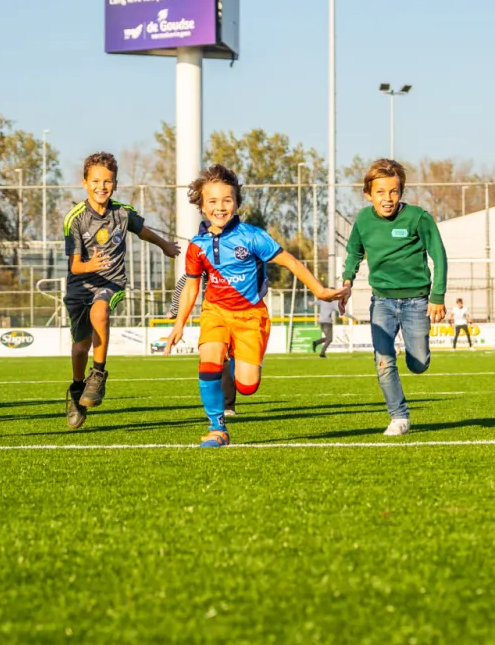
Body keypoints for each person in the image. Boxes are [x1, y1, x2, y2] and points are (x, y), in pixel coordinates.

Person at [167, 165, 343, 447]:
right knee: (209, 363)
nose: (220, 207)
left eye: (227, 200)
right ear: (201, 206)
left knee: (247, 386)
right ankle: (217, 428)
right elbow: (191, 286)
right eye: (212, 201)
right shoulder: (197, 246)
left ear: (236, 202)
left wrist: (319, 290)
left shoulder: (252, 236)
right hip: (215, 312)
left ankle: (236, 352)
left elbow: (291, 262)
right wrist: (179, 324)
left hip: (251, 316)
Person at [62, 152, 183, 428]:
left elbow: (144, 231)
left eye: (107, 181)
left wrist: (164, 245)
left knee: (101, 312)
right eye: (95, 181)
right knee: (80, 347)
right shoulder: (75, 219)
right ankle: (77, 389)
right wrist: (89, 264)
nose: (101, 186)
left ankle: (99, 374)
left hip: (111, 283)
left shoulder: (122, 213)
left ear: (115, 184)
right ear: (84, 183)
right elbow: (75, 266)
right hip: (80, 286)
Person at [338, 158, 449, 436]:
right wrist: (347, 281)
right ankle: (399, 417)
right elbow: (353, 251)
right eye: (380, 192)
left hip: (417, 302)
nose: (387, 198)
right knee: (384, 360)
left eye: (393, 191)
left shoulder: (418, 218)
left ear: (401, 192)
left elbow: (439, 256)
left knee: (418, 364)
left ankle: (412, 351)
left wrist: (437, 295)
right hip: (382, 303)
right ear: (368, 194)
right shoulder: (363, 220)